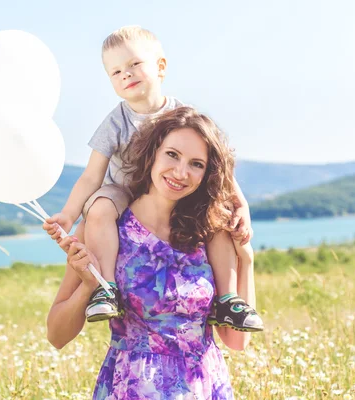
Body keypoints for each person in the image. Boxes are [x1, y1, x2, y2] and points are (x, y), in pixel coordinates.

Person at [44, 25, 261, 331]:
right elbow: (91, 176)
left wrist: (241, 206)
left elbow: (219, 169)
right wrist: (68, 214)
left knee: (217, 215)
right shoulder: (115, 122)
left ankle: (228, 299)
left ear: (160, 67)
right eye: (115, 72)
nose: (125, 75)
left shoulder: (182, 114)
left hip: (173, 193)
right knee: (100, 208)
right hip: (124, 189)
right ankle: (105, 289)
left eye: (134, 65)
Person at [46, 106, 259, 398]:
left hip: (202, 387)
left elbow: (236, 341)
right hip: (131, 387)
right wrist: (88, 286)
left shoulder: (211, 231)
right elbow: (57, 336)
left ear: (208, 173)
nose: (180, 173)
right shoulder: (104, 227)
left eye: (196, 164)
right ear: (152, 153)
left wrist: (246, 261)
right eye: (172, 155)